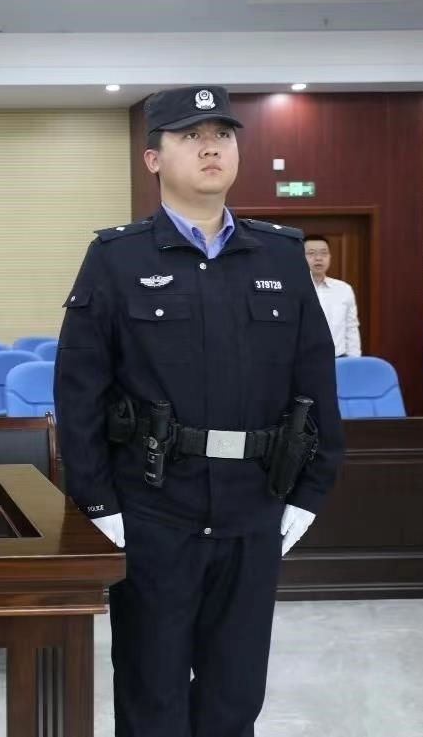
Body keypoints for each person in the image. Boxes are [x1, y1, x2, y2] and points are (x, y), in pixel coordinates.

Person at [53, 86, 345, 737]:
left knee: (234, 693)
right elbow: (79, 388)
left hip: (254, 504)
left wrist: (311, 490)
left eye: (222, 134)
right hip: (154, 507)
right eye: (191, 136)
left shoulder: (279, 254)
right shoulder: (118, 257)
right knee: (151, 691)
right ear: (153, 158)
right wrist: (98, 502)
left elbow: (315, 375)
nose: (211, 147)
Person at [304, 234, 362, 357]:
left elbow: (351, 328)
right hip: (304, 361)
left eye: (324, 253)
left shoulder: (344, 290)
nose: (318, 258)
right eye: (311, 253)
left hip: (339, 359)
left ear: (330, 257)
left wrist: (354, 360)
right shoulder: (293, 289)